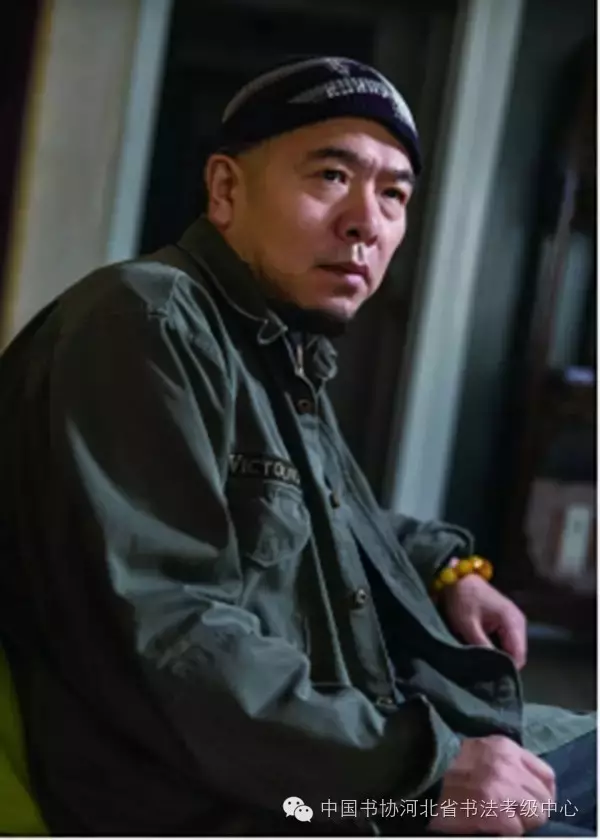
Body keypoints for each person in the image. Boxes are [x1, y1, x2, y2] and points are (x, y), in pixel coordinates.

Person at [0, 55, 595, 837]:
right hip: (258, 802)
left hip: (346, 745)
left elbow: (324, 514)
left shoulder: (274, 347)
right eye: (331, 176)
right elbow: (173, 632)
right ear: (225, 190)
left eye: (394, 194)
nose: (366, 222)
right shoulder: (146, 322)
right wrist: (427, 768)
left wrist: (448, 570)